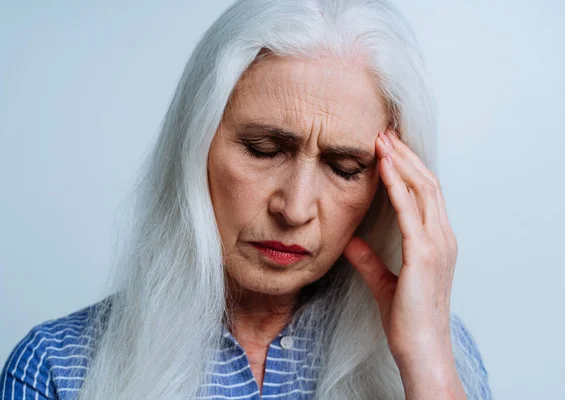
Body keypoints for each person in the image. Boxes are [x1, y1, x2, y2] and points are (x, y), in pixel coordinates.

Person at [1, 0, 492, 399]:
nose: (296, 209)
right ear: (195, 145)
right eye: (263, 150)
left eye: (344, 168)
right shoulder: (55, 368)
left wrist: (427, 366)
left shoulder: (440, 355)